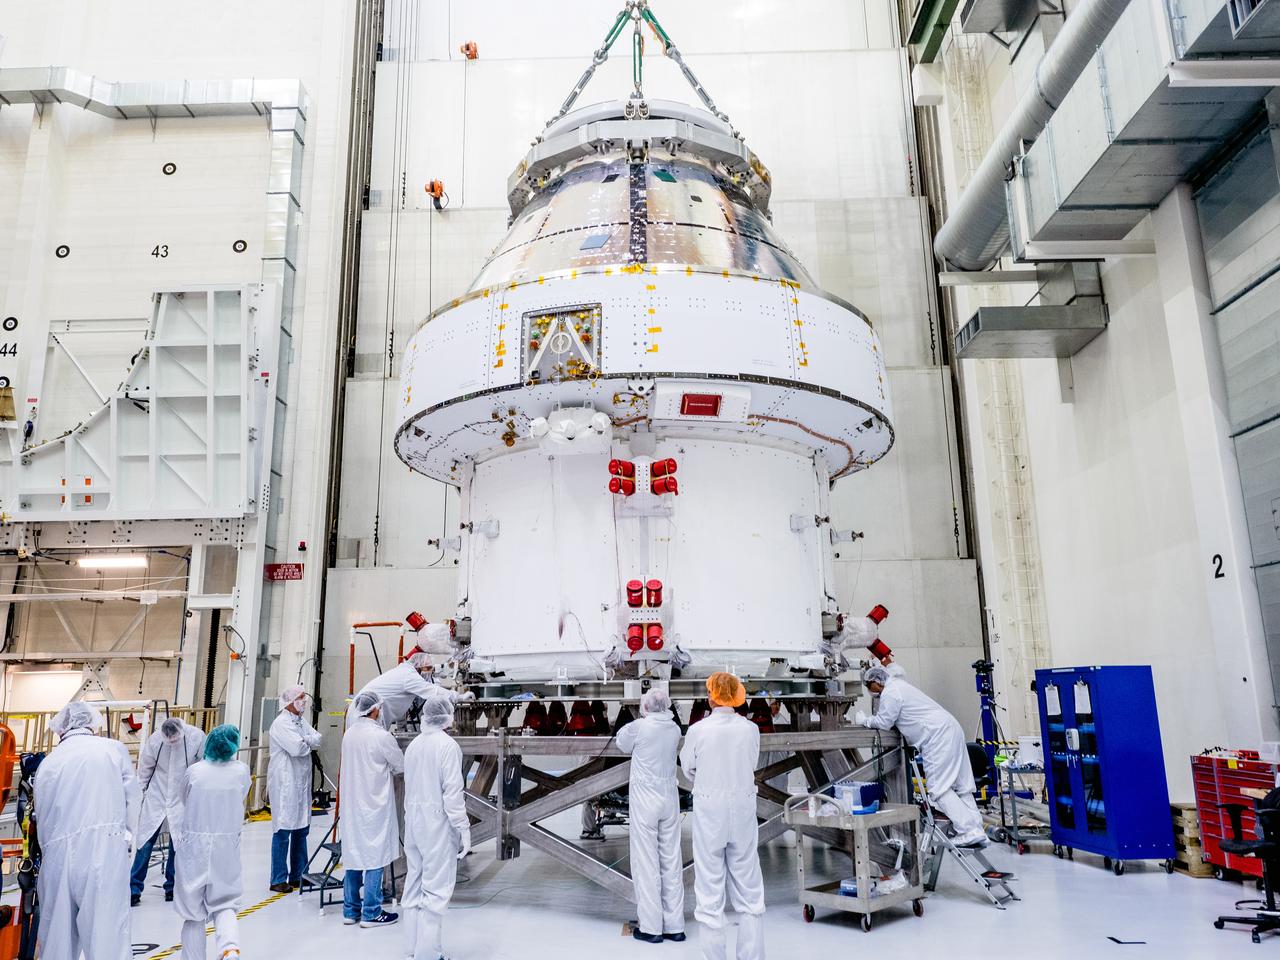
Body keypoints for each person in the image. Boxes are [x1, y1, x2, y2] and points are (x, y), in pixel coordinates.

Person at [35, 700, 141, 960]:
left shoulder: (47, 764)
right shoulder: (111, 750)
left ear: (60, 730)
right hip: (103, 850)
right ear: (93, 724)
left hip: (57, 857)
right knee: (107, 937)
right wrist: (126, 842)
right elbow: (133, 799)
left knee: (57, 942)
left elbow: (42, 819)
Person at [680, 673, 765, 960]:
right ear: (738, 696)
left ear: (711, 697)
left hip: (709, 808)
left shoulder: (698, 730)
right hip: (742, 807)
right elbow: (751, 762)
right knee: (749, 886)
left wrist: (707, 779)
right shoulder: (750, 729)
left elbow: (687, 767)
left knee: (709, 886)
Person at [857, 665, 987, 846]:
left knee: (938, 789)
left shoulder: (891, 692)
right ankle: (977, 829)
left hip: (936, 736)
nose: (869, 691)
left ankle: (968, 830)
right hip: (951, 728)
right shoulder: (900, 686)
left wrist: (865, 721)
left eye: (868, 686)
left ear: (876, 682)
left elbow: (884, 722)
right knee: (962, 786)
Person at [174, 724, 251, 960]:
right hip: (226, 846)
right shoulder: (240, 771)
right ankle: (229, 950)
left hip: (194, 847)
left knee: (193, 911)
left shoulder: (195, 771)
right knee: (225, 902)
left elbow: (184, 797)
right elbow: (242, 794)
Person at [402, 695, 469, 960]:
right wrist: (463, 827)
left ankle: (413, 950)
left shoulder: (414, 745)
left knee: (414, 885)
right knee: (436, 889)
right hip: (437, 823)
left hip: (414, 821)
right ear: (446, 716)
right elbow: (452, 793)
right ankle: (429, 954)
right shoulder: (448, 746)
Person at [618, 688, 685, 945]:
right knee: (671, 861)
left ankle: (651, 928)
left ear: (645, 707)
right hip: (669, 797)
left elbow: (621, 743)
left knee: (646, 863)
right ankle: (675, 926)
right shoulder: (675, 729)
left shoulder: (639, 727)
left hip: (646, 801)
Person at [341, 691, 405, 927]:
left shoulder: (349, 734)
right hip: (374, 803)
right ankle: (371, 912)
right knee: (374, 856)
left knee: (354, 854)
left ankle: (350, 911)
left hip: (352, 804)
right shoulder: (380, 736)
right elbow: (400, 765)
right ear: (376, 709)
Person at [132, 716, 206, 905]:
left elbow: (202, 767)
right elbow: (145, 770)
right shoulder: (156, 740)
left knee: (178, 843)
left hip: (182, 796)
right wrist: (136, 797)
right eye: (169, 740)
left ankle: (172, 888)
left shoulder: (196, 737)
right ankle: (133, 888)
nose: (172, 742)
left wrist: (198, 795)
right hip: (157, 795)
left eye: (175, 739)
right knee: (145, 841)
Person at [267, 684, 322, 893]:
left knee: (301, 829)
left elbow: (318, 738)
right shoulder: (281, 723)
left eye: (304, 698)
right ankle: (278, 879)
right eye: (300, 698)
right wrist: (307, 741)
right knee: (282, 830)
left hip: (300, 782)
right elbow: (298, 748)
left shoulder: (300, 721)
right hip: (286, 783)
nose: (304, 702)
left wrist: (306, 740)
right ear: (289, 702)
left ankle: (298, 875)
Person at [350, 651, 474, 730]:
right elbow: (432, 691)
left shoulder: (404, 672)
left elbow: (397, 704)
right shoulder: (409, 676)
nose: (430, 672)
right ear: (419, 667)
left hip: (365, 716)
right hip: (364, 717)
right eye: (428, 668)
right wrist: (458, 697)